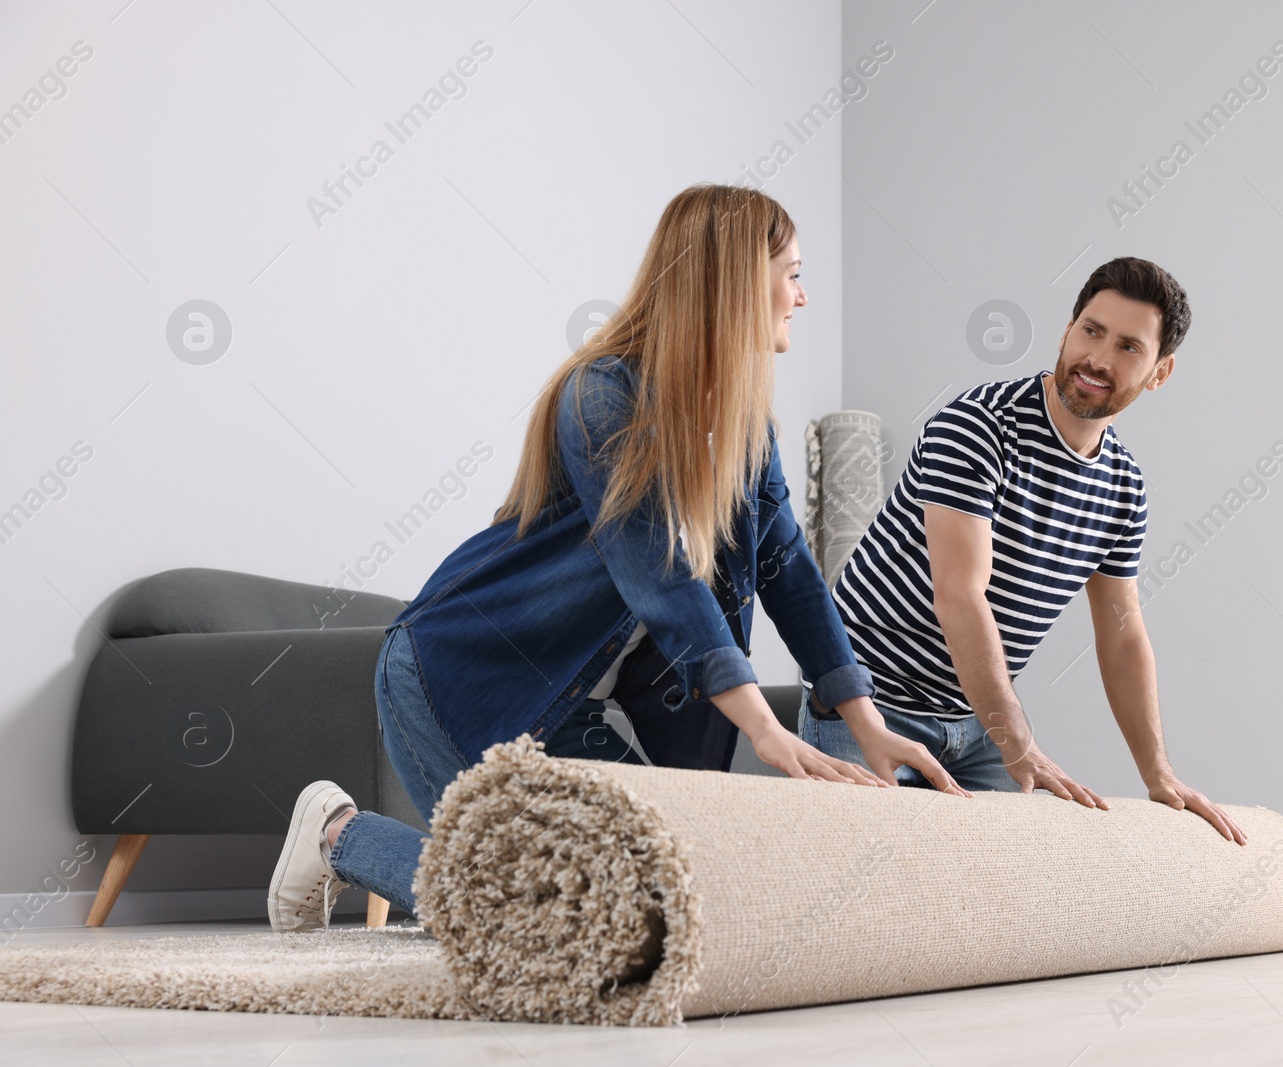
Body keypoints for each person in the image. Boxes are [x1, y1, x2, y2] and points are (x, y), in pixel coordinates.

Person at [268, 184, 967, 932]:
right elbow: (660, 571)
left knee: (654, 899)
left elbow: (790, 574)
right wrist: (766, 729)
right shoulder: (601, 396)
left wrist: (867, 721)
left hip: (574, 707)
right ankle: (336, 832)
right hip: (464, 681)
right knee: (541, 914)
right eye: (790, 272)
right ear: (734, 282)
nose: (802, 294)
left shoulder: (746, 433)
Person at [808, 256, 1246, 843]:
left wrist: (1158, 773)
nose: (1098, 359)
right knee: (868, 891)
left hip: (976, 722)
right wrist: (1019, 744)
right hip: (870, 702)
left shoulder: (1123, 487)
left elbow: (1122, 634)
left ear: (1160, 371)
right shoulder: (977, 428)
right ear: (1067, 329)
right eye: (1091, 331)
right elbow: (961, 597)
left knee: (1012, 892)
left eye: (1128, 348)